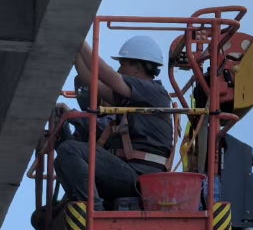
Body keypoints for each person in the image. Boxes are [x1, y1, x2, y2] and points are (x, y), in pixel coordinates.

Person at [54, 35, 175, 207]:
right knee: (60, 161)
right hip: (130, 173)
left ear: (138, 66)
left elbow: (105, 74)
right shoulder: (133, 98)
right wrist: (75, 52)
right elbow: (92, 81)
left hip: (141, 177)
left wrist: (79, 37)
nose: (119, 69)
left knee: (70, 149)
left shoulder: (154, 91)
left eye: (123, 64)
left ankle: (94, 210)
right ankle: (87, 206)